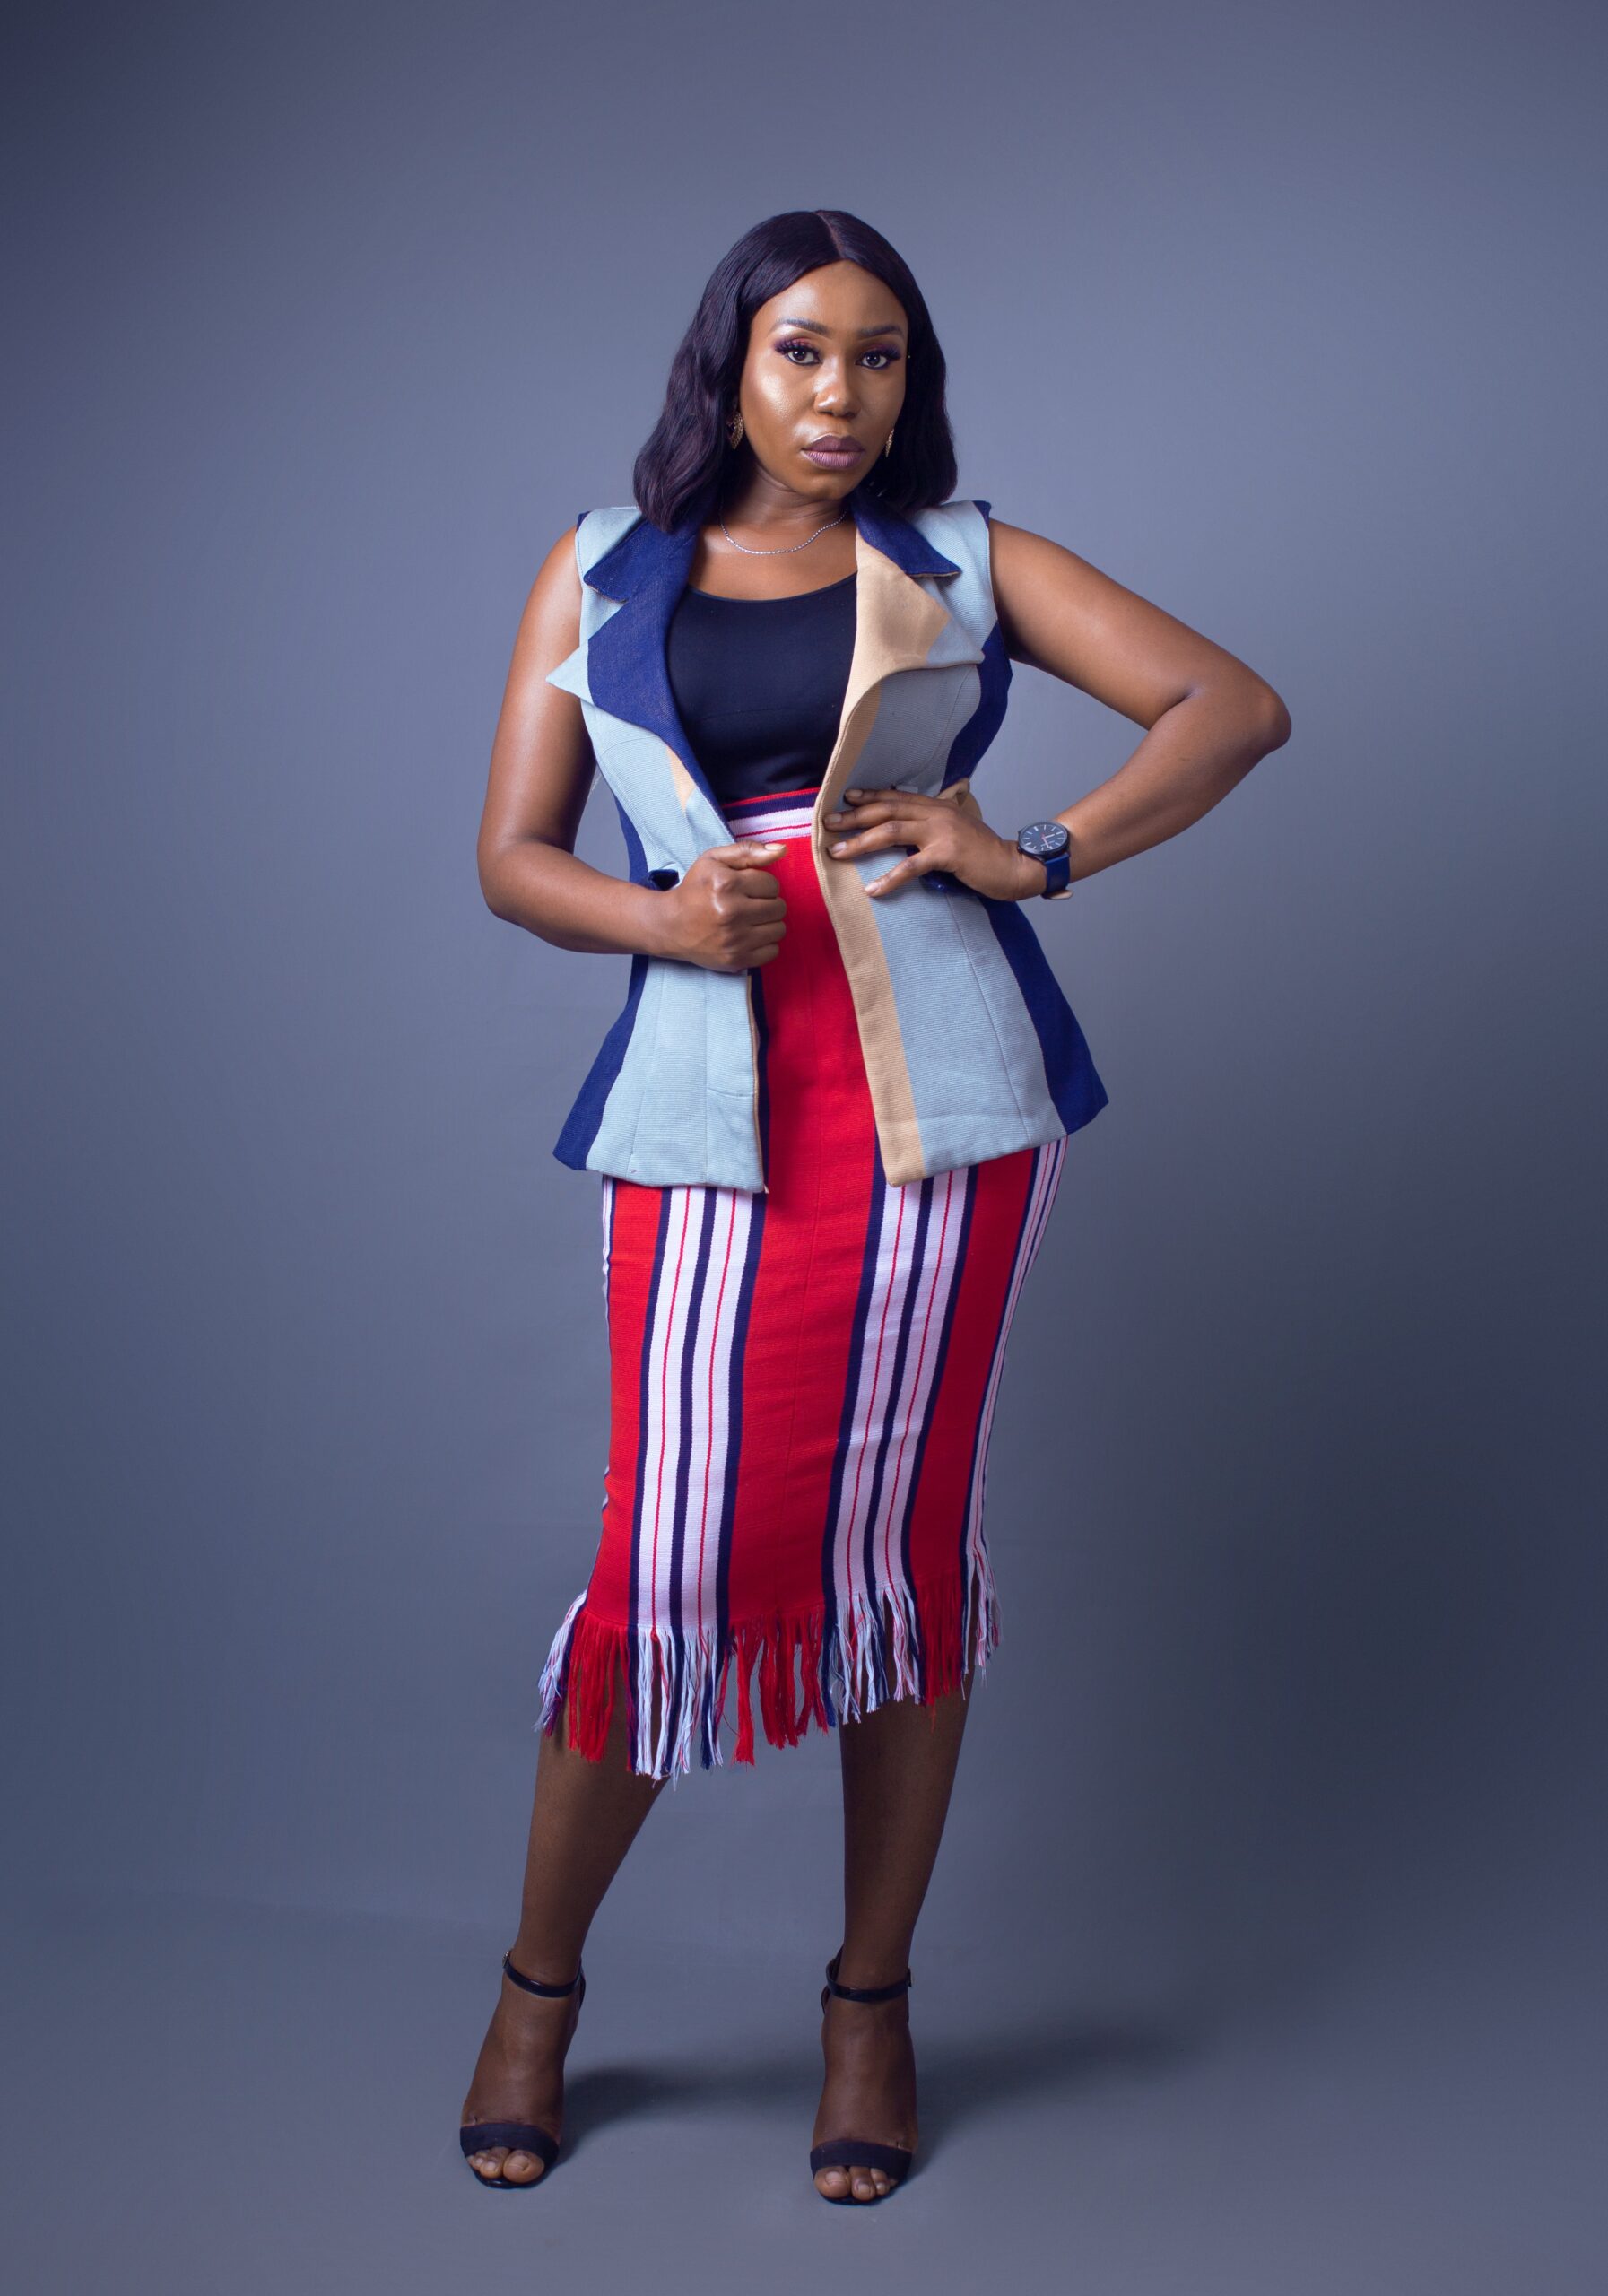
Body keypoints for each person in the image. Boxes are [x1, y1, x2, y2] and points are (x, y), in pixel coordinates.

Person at [461, 208, 1291, 2204]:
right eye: (803, 351)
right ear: (730, 367)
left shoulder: (967, 560)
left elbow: (1229, 706)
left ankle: (869, 2004)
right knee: (668, 1563)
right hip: (705, 1108)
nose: (843, 394)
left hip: (947, 1112)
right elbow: (513, 857)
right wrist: (661, 920)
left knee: (902, 1551)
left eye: (882, 355)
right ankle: (535, 1994)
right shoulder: (601, 564)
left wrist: (1036, 852)